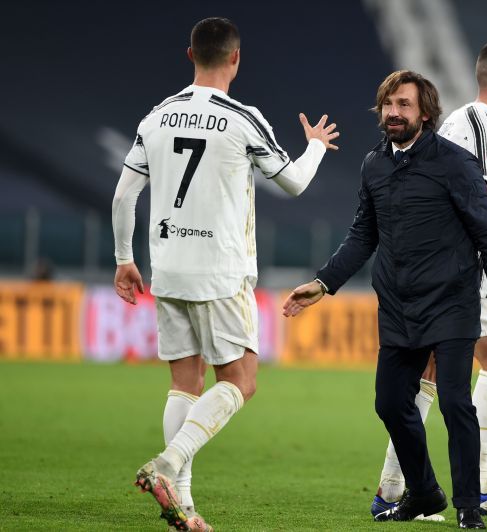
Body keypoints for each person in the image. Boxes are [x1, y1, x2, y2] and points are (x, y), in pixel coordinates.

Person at [111, 17, 339, 531]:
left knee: (183, 383)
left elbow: (125, 194)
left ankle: (183, 507)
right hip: (219, 271)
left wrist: (125, 258)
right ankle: (168, 466)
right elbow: (295, 184)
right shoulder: (243, 118)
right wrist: (317, 145)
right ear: (236, 59)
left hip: (166, 268)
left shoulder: (156, 117)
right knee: (242, 380)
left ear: (188, 55)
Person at [283, 70, 487, 530]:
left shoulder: (455, 163)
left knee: (454, 403)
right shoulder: (374, 165)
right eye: (388, 105)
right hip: (398, 306)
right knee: (390, 403)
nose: (393, 112)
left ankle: (469, 505)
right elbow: (363, 234)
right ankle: (426, 491)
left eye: (403, 105)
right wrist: (323, 282)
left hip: (451, 304)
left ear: (424, 113)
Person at [371, 41, 487, 522]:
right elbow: (475, 212)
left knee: (433, 374)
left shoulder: (480, 127)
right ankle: (480, 487)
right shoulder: (479, 127)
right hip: (453, 271)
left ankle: (393, 487)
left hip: (446, 268)